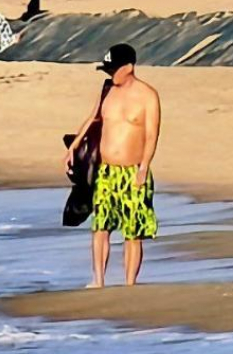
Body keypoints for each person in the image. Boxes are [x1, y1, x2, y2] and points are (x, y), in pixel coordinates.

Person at [64, 44, 161, 287]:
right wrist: (73, 146)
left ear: (128, 68)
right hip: (106, 171)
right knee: (100, 227)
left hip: (132, 171)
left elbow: (152, 135)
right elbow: (93, 118)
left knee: (133, 231)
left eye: (113, 69)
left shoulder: (148, 96)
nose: (110, 74)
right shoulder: (107, 90)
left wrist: (144, 167)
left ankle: (130, 283)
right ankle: (98, 280)